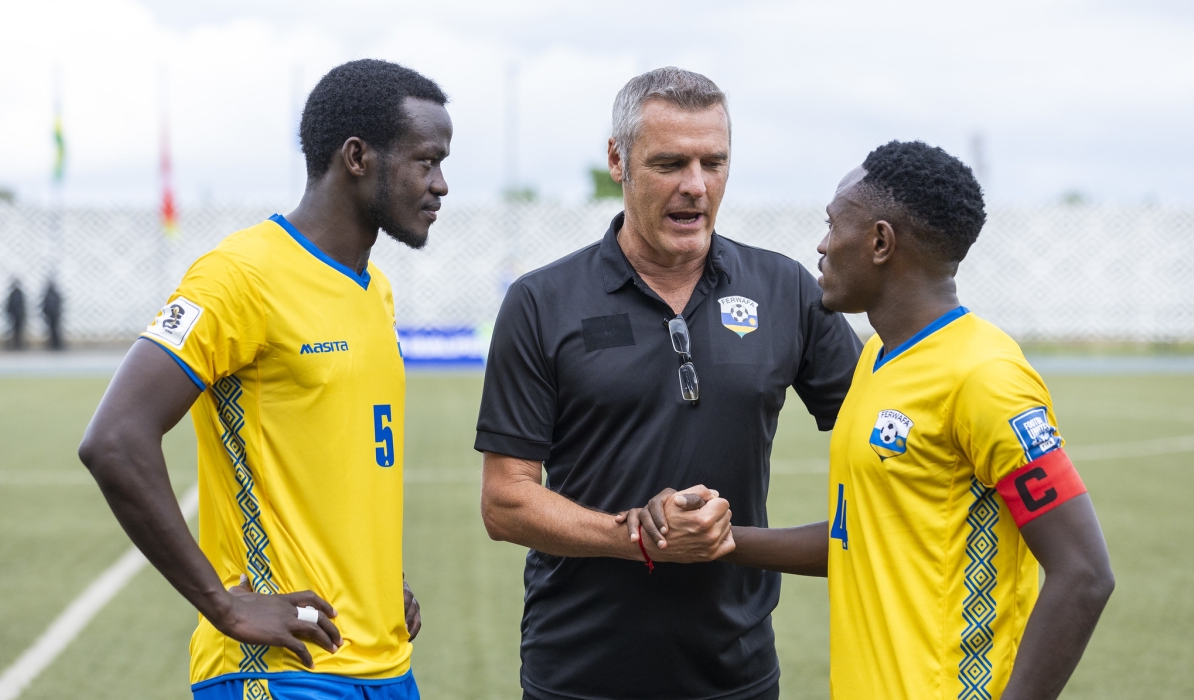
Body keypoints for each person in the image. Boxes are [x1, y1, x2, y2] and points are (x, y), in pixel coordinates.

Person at [627, 141, 1115, 700]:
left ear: (880, 241)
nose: (822, 244)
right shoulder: (875, 363)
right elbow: (856, 540)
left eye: (834, 225)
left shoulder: (984, 374)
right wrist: (718, 539)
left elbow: (1084, 573)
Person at [476, 67, 863, 700]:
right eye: (669, 163)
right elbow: (506, 500)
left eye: (714, 162)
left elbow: (878, 433)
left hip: (735, 672)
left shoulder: (786, 289)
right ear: (616, 161)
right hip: (579, 670)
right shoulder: (540, 301)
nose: (695, 186)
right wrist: (639, 536)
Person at [78, 59, 452, 700]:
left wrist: (372, 580)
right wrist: (224, 606)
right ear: (357, 157)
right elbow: (114, 439)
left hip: (387, 666)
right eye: (426, 160)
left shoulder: (376, 291)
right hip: (280, 672)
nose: (441, 184)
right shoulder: (238, 277)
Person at [4, 278, 25, 349]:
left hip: (17, 316)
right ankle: (14, 344)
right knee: (14, 330)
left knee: (18, 330)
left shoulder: (17, 294)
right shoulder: (14, 294)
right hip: (14, 316)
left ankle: (18, 344)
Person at [42, 278, 62, 350]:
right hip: (52, 315)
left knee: (54, 330)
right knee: (53, 330)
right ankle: (54, 344)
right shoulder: (52, 294)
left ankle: (56, 344)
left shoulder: (50, 294)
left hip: (53, 315)